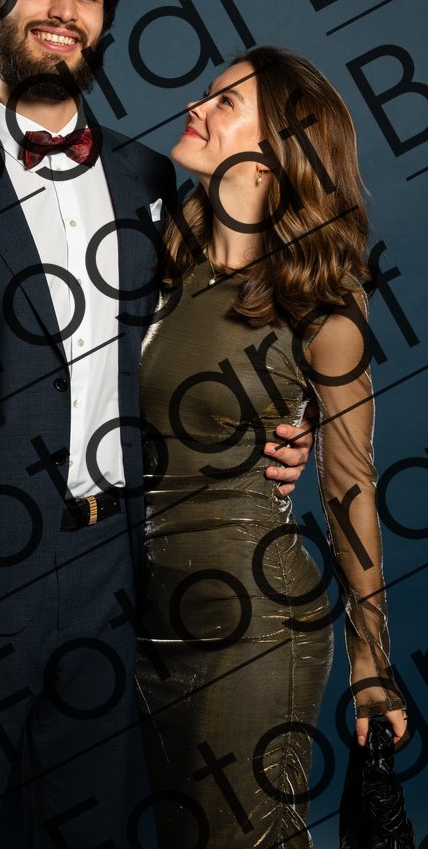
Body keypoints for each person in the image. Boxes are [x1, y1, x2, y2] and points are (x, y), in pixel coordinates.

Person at [0, 0, 309, 848]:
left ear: (103, 23)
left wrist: (277, 423)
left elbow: (205, 337)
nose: (63, 9)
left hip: (113, 577)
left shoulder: (150, 180)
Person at [135, 45, 408, 848]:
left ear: (275, 150)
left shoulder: (322, 302)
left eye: (224, 101)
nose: (195, 107)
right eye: (206, 92)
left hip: (253, 615)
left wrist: (371, 666)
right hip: (142, 608)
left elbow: (349, 484)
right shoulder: (157, 255)